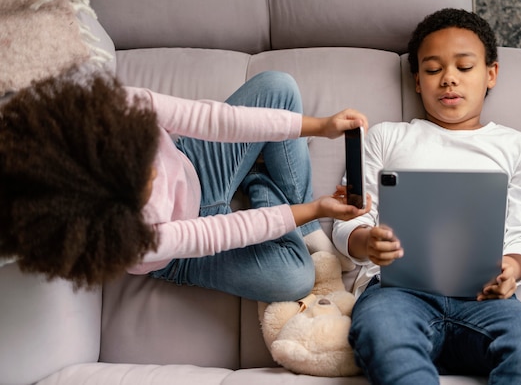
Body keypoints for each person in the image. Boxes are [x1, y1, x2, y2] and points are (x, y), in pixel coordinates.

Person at [332, 8, 521, 384]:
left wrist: (512, 267)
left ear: (491, 73)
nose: (448, 80)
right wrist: (366, 243)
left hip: (484, 298)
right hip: (396, 293)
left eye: (464, 67)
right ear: (416, 81)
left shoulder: (519, 148)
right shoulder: (385, 138)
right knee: (383, 334)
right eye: (432, 70)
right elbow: (349, 221)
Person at [0, 67, 369, 303]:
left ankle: (293, 216)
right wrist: (317, 208)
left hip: (197, 159)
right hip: (183, 253)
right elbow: (218, 232)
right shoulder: (130, 239)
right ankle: (262, 182)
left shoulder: (122, 107)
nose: (158, 174)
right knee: (293, 279)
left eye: (147, 160)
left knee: (279, 86)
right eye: (146, 188)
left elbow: (212, 119)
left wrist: (321, 126)